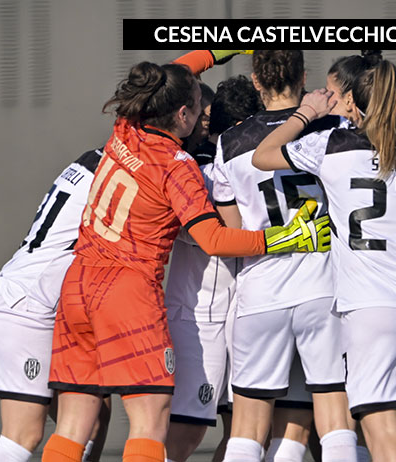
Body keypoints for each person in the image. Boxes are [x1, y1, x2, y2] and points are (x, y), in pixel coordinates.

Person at [40, 53, 330, 462]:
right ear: (183, 114)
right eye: (198, 107)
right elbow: (213, 239)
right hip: (126, 291)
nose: (204, 116)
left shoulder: (126, 128)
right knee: (151, 421)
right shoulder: (177, 166)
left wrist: (216, 49)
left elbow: (171, 76)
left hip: (79, 286)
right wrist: (285, 237)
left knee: (73, 425)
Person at [253, 59, 396, 462]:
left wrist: (306, 113)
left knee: (382, 426)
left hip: (372, 305)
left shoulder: (331, 146)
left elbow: (263, 155)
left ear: (352, 102)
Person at [213, 50, 357, 462]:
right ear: (304, 76)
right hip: (325, 287)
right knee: (335, 418)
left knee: (247, 429)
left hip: (261, 291)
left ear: (256, 81)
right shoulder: (335, 129)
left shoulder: (230, 142)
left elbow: (235, 230)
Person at [0, 148, 111, 462]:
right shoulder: (118, 170)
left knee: (92, 419)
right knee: (22, 435)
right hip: (28, 306)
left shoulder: (95, 158)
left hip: (40, 303)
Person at [163, 75, 263, 462]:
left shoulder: (255, 167)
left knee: (247, 431)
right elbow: (205, 233)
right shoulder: (195, 171)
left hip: (243, 314)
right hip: (199, 318)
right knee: (184, 435)